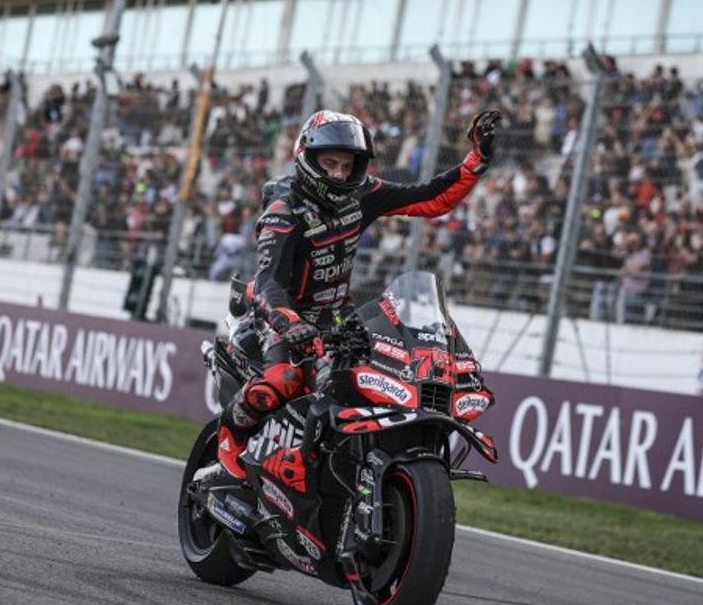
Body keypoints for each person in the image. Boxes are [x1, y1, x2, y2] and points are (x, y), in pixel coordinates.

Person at [214, 109, 501, 478]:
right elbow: (268, 282)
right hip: (282, 315)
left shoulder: (362, 194)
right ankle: (230, 436)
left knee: (379, 379)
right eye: (330, 163)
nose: (338, 173)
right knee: (281, 381)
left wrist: (478, 160)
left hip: (338, 315)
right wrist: (291, 324)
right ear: (307, 156)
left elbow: (432, 199)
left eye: (346, 166)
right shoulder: (283, 211)